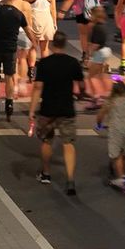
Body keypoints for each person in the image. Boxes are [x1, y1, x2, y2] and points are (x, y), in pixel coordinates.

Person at [28, 32, 84, 195]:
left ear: (52, 45)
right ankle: (70, 179)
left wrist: (32, 110)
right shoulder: (73, 63)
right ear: (65, 44)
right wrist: (80, 94)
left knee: (46, 141)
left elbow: (38, 88)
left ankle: (46, 173)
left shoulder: (44, 63)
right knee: (68, 143)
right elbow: (81, 85)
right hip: (67, 108)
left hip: (48, 109)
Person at [0, 0, 27, 122]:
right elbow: (28, 32)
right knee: (9, 76)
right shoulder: (18, 13)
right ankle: (9, 103)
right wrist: (34, 42)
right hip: (11, 49)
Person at [60, 0, 105, 65]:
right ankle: (95, 57)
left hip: (81, 13)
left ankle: (85, 55)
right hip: (95, 13)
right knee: (93, 36)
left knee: (83, 35)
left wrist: (62, 11)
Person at [96, 81, 125, 192]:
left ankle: (121, 180)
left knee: (116, 155)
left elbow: (100, 115)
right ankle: (121, 170)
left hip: (115, 129)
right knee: (123, 152)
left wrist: (99, 124)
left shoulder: (110, 102)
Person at [25, 0, 57, 64]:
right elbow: (53, 9)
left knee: (33, 47)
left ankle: (31, 70)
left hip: (34, 20)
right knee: (45, 48)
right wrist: (54, 23)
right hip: (47, 20)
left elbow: (26, 8)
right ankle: (45, 67)